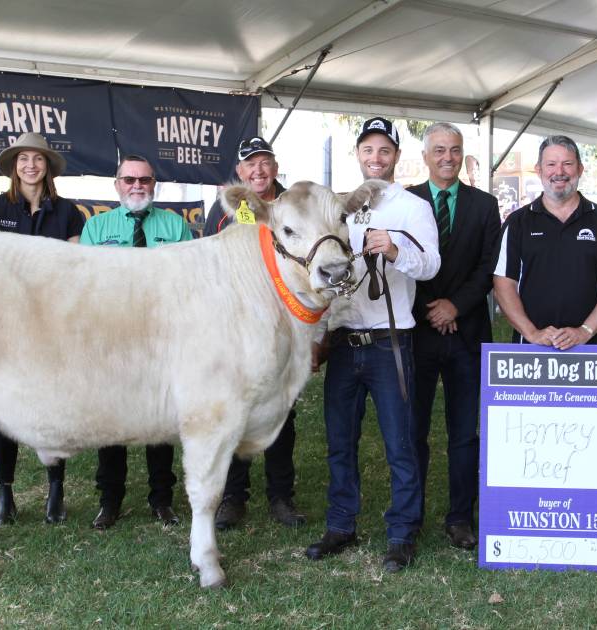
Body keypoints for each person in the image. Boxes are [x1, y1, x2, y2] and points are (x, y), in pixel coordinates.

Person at [305, 117, 440, 573]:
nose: (375, 158)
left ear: (396, 156)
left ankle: (402, 532)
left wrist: (398, 250)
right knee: (340, 441)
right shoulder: (340, 205)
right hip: (345, 340)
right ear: (358, 155)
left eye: (384, 150)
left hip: (390, 342)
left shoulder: (412, 206)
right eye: (368, 150)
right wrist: (320, 337)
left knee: (400, 443)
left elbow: (432, 267)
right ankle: (341, 524)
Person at [80, 154, 192, 530]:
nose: (137, 186)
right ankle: (109, 501)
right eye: (129, 180)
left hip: (163, 339)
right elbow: (84, 286)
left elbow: (188, 288)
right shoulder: (96, 228)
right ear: (117, 185)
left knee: (160, 422)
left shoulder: (176, 227)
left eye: (144, 180)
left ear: (154, 184)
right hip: (112, 339)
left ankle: (162, 500)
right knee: (111, 423)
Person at [203, 136, 306, 530]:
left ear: (276, 167)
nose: (259, 170)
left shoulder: (294, 204)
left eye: (265, 162)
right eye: (251, 164)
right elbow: (209, 263)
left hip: (283, 325)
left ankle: (281, 497)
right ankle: (233, 497)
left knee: (282, 409)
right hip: (235, 327)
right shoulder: (226, 208)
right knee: (236, 411)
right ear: (240, 172)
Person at [407, 122, 501, 550]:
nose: (448, 157)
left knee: (465, 432)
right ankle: (411, 515)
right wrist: (433, 306)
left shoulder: (485, 205)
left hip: (467, 331)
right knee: (414, 430)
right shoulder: (406, 201)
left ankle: (461, 518)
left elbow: (488, 266)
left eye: (455, 150)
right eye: (439, 150)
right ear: (425, 156)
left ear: (463, 155)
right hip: (420, 331)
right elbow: (403, 260)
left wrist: (455, 306)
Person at [0, 132, 87, 527]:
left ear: (48, 166)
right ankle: (5, 494)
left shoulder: (69, 212)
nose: (31, 165)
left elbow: (74, 268)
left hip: (52, 322)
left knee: (54, 403)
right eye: (23, 159)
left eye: (38, 159)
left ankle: (56, 489)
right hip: (7, 322)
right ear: (14, 165)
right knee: (3, 407)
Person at [492, 135, 597, 349]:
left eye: (567, 164)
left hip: (591, 348)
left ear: (580, 169)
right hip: (532, 348)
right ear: (539, 170)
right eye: (551, 164)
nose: (559, 172)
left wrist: (584, 331)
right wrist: (532, 333)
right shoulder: (518, 222)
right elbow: (503, 285)